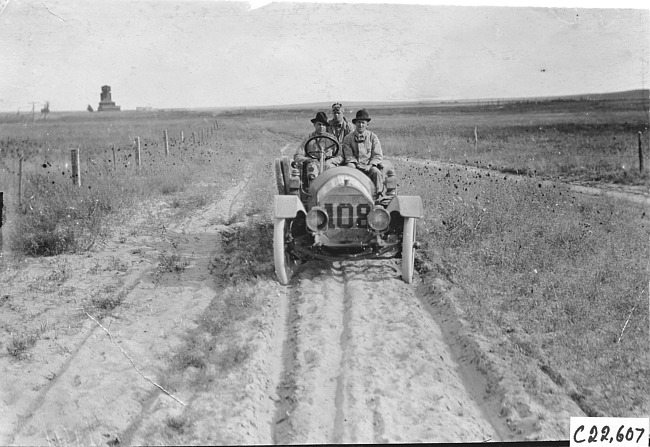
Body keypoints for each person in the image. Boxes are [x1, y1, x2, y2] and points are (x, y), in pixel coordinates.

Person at [342, 109, 386, 193]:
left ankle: (378, 196)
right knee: (349, 168)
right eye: (358, 122)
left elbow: (377, 155)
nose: (360, 125)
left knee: (376, 172)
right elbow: (349, 156)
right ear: (355, 124)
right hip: (355, 165)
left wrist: (370, 165)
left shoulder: (373, 137)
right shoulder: (348, 138)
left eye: (363, 122)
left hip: (368, 166)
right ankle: (348, 193)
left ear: (367, 124)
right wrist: (356, 164)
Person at [294, 111, 342, 180]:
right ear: (314, 124)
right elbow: (297, 156)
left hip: (328, 163)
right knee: (312, 169)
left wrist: (331, 161)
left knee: (331, 171)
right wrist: (309, 160)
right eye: (319, 124)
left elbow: (340, 156)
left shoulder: (332, 139)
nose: (321, 127)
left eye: (323, 125)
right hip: (313, 163)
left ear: (326, 126)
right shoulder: (308, 139)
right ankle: (312, 186)